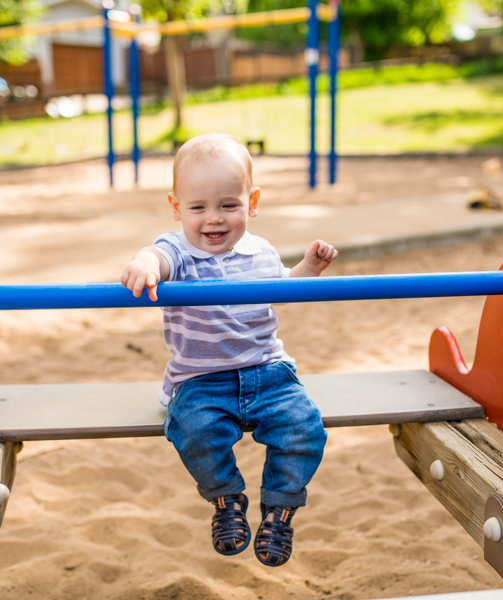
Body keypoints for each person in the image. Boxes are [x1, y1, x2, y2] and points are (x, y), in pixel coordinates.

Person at [120, 133, 337, 567]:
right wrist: (145, 264)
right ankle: (226, 499)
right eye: (198, 207)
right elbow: (157, 257)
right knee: (193, 431)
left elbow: (284, 293)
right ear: (177, 207)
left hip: (268, 371)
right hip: (202, 380)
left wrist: (309, 268)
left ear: (251, 202)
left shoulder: (261, 251)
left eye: (228, 205)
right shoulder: (178, 252)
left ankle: (279, 509)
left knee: (305, 429)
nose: (213, 219)